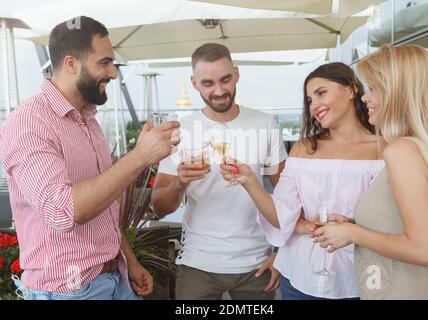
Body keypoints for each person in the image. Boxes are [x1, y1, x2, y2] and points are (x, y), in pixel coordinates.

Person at [0, 16, 180, 300]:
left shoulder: (87, 119)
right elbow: (63, 211)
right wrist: (140, 156)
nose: (113, 73)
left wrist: (129, 261)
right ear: (72, 64)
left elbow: (103, 206)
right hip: (68, 291)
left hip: (114, 277)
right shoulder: (29, 123)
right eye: (104, 62)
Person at [221, 62, 385, 300]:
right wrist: (249, 181)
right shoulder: (303, 149)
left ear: (351, 90)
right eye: (309, 99)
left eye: (321, 93)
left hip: (356, 281)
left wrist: (352, 227)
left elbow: (391, 222)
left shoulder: (383, 149)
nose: (314, 104)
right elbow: (280, 216)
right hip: (298, 278)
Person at [151, 43, 287, 300]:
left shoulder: (264, 124)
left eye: (225, 79)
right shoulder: (180, 130)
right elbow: (160, 207)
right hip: (197, 265)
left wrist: (282, 253)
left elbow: (288, 195)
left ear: (236, 73)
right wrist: (179, 182)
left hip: (257, 266)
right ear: (194, 83)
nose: (219, 90)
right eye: (208, 83)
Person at [312, 45, 428, 299]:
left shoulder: (400, 152)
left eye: (373, 88)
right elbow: (405, 226)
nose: (365, 98)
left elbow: (425, 250)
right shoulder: (422, 147)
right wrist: (356, 225)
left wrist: (354, 233)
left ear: (398, 92)